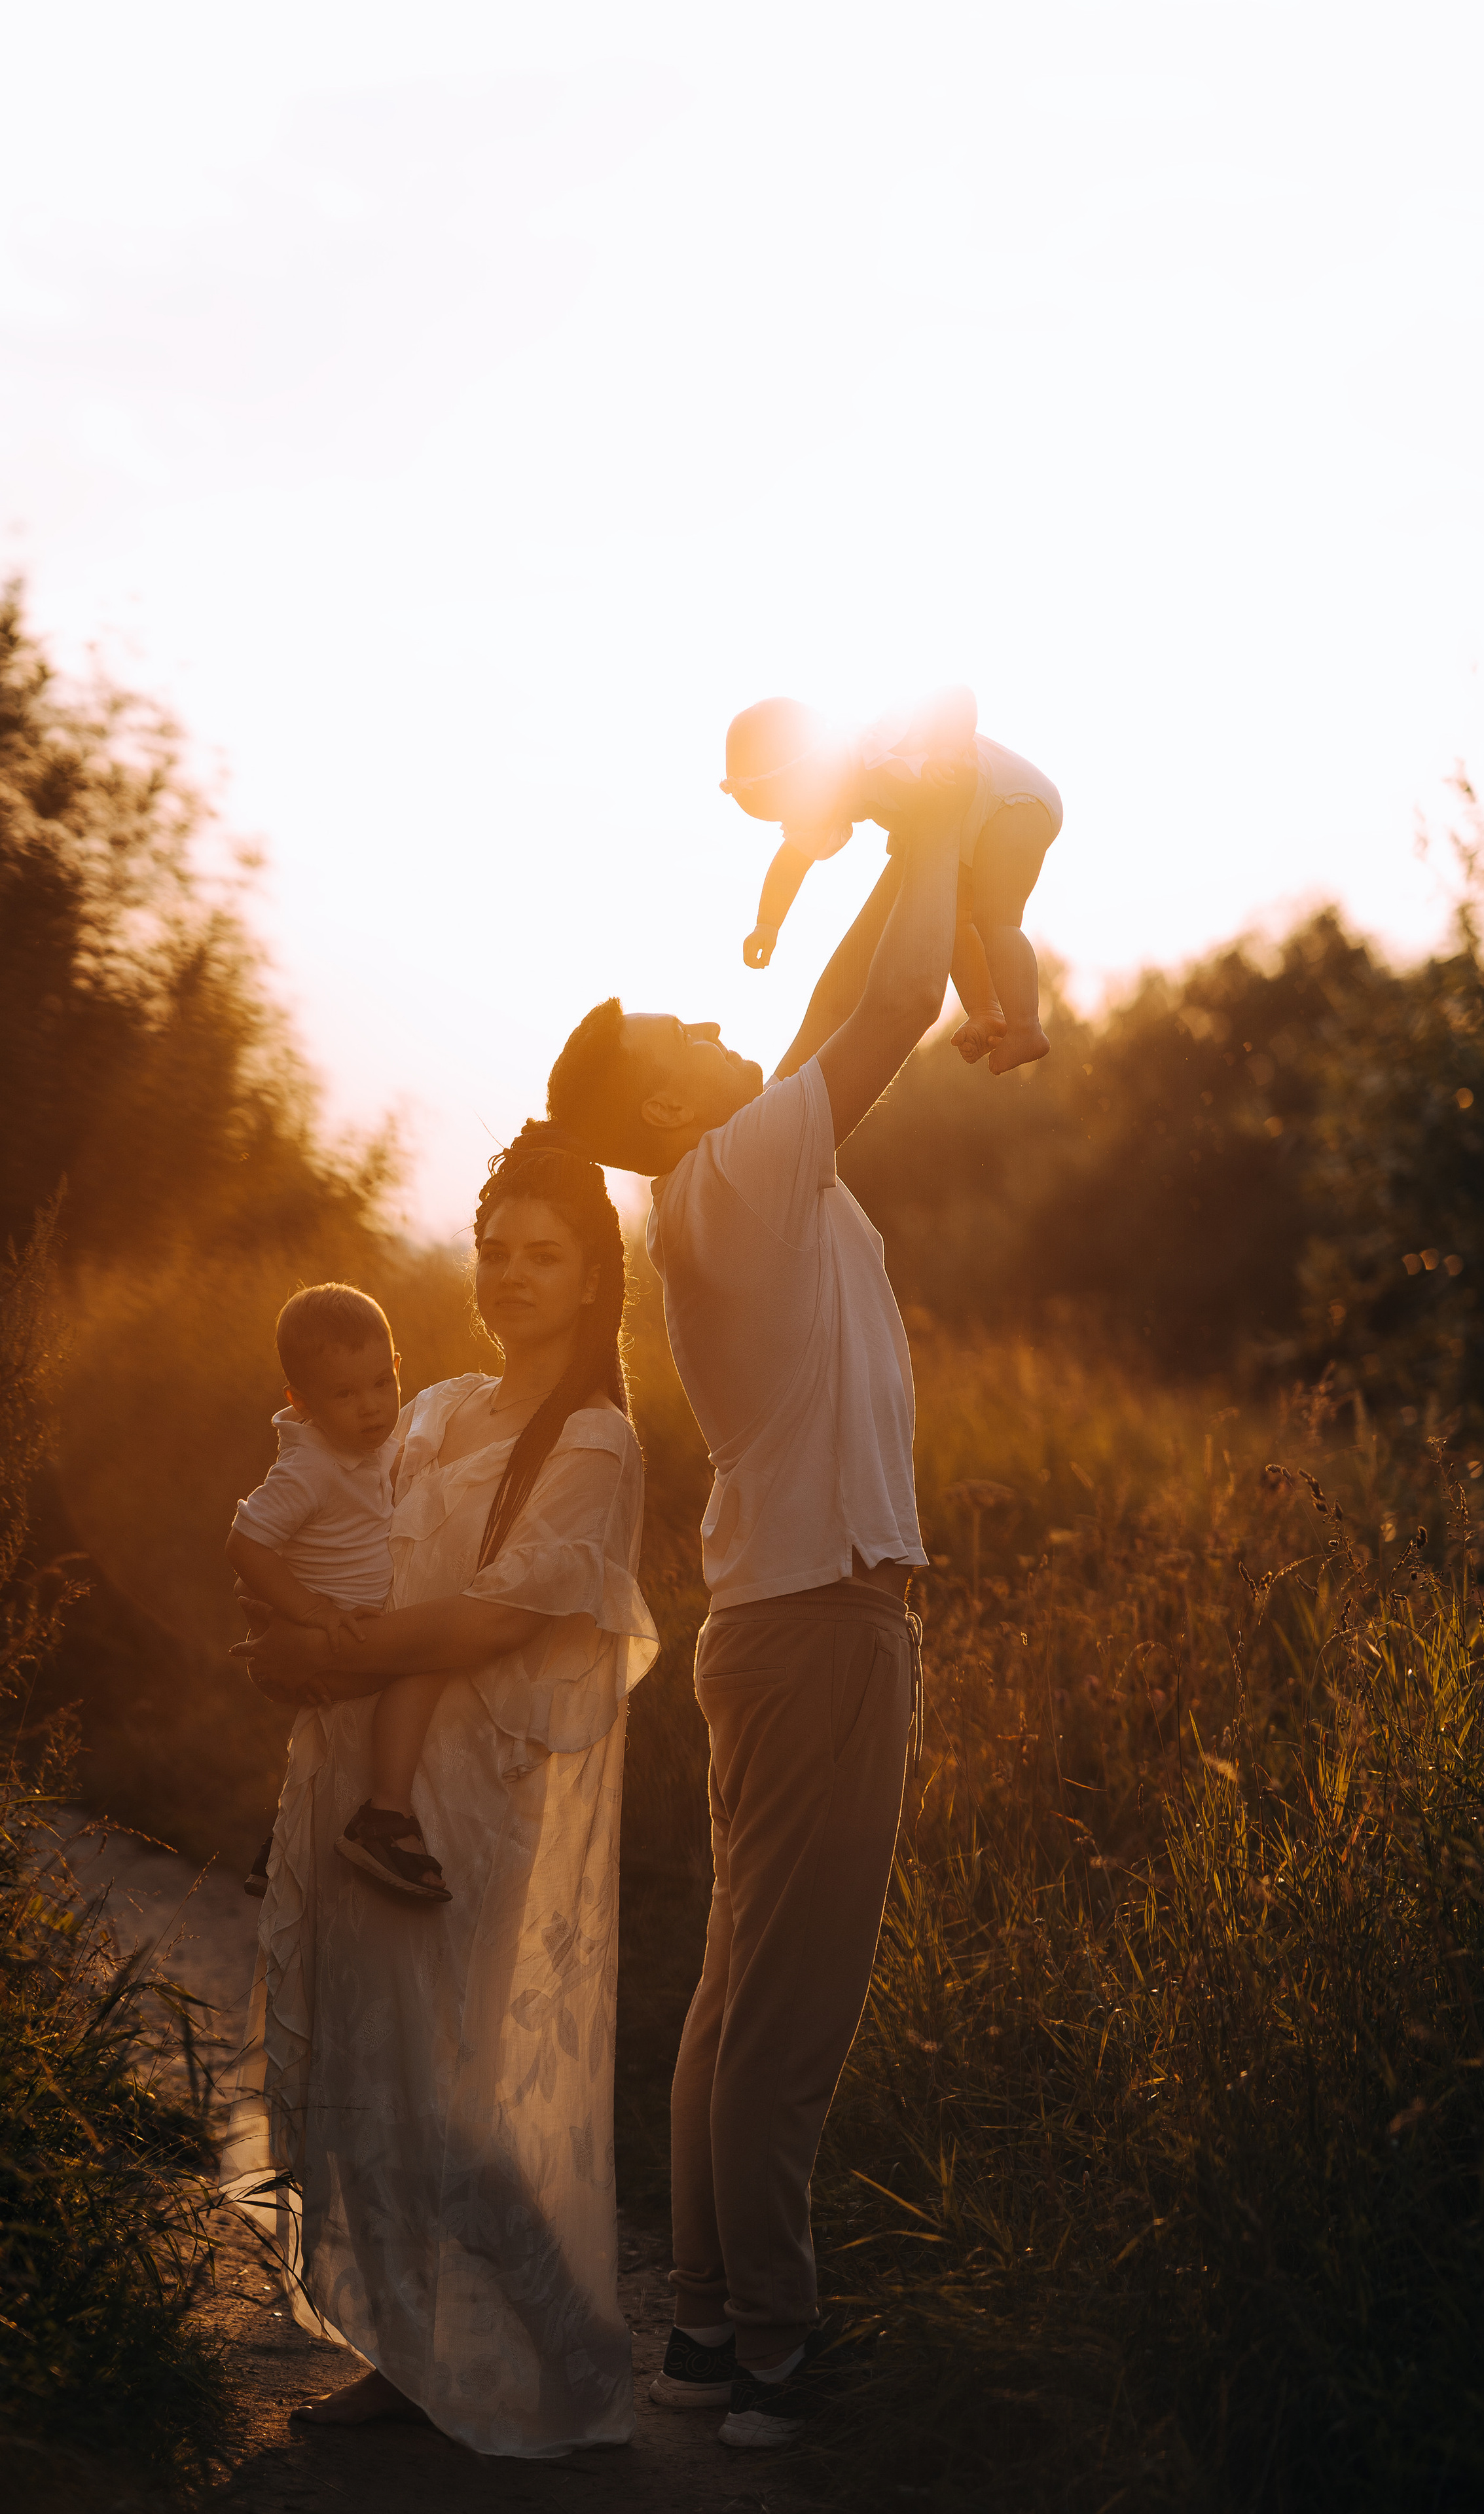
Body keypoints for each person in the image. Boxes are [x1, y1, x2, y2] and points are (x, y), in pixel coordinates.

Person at [543, 797, 960, 2449]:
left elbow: (836, 997)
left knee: (732, 1993)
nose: (718, 1024)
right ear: (657, 1099)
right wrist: (929, 813)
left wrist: (865, 844)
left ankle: (710, 2328)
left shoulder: (729, 1168)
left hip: (781, 1618)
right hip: (821, 1626)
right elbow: (900, 1002)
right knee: (785, 2008)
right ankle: (774, 2355)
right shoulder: (737, 1168)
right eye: (680, 1028)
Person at [223, 1137, 658, 2458]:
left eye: (544, 1256)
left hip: (464, 1795)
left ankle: (578, 2353)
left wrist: (331, 1651)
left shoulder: (590, 1439)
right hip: (358, 1767)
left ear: (593, 1279)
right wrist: (291, 1641)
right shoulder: (430, 1408)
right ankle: (403, 2354)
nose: (512, 1277)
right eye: (495, 1251)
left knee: (450, 2097)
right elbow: (328, 1542)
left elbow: (481, 1623)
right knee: (364, 2064)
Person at [227, 1282, 453, 1904]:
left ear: (398, 1367)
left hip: (332, 1635)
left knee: (336, 1728)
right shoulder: (310, 1468)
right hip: (311, 1640)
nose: (372, 1408)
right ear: (301, 1402)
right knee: (429, 1661)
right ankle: (385, 1817)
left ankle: (286, 1841)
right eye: (345, 1394)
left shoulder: (372, 1444)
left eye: (382, 1383)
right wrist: (308, 1612)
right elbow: (245, 1545)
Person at [723, 683, 1062, 1072]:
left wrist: (947, 752)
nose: (793, 825)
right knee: (949, 921)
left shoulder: (883, 746)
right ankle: (986, 1010)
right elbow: (792, 860)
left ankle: (1026, 1027)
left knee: (995, 919)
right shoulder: (831, 800)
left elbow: (954, 696)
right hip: (970, 833)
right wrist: (767, 924)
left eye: (791, 811)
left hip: (1014, 803)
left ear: (811, 772)